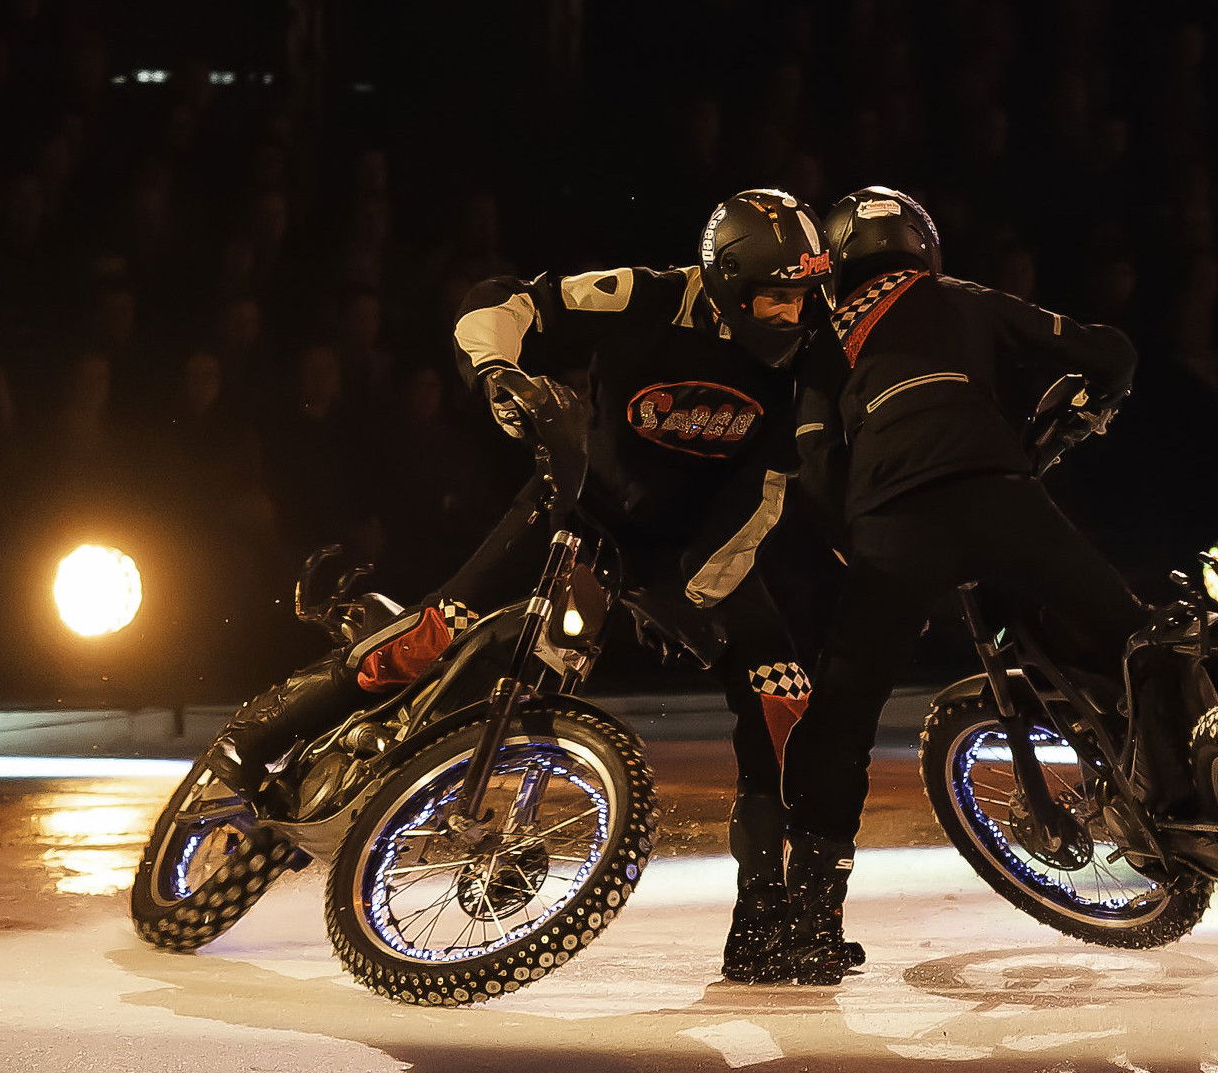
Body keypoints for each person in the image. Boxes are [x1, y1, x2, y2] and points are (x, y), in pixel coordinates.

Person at [211, 188, 840, 984]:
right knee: (431, 635)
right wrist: (497, 373)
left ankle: (763, 919)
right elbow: (504, 301)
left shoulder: (813, 350)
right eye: (777, 297)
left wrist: (699, 597)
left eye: (805, 294)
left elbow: (777, 491)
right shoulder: (647, 295)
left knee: (782, 700)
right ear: (727, 283)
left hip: (696, 553)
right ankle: (248, 746)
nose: (795, 313)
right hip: (577, 509)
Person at [782, 187, 1145, 983]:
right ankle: (1189, 780)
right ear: (922, 247)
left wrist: (858, 548)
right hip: (998, 491)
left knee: (842, 717)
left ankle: (808, 921)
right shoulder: (958, 295)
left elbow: (813, 461)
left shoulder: (825, 339)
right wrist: (1080, 416)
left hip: (893, 518)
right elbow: (1108, 351)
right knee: (1134, 635)